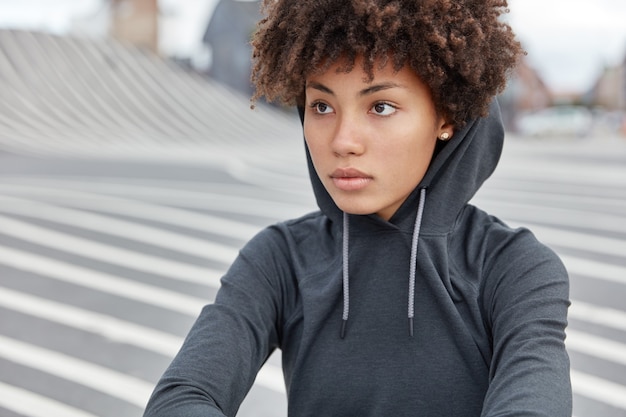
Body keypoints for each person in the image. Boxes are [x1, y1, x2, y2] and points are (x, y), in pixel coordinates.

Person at [143, 1, 572, 416]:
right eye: (322, 106)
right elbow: (182, 397)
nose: (343, 141)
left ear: (446, 117)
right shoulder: (279, 259)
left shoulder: (516, 270)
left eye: (380, 106)